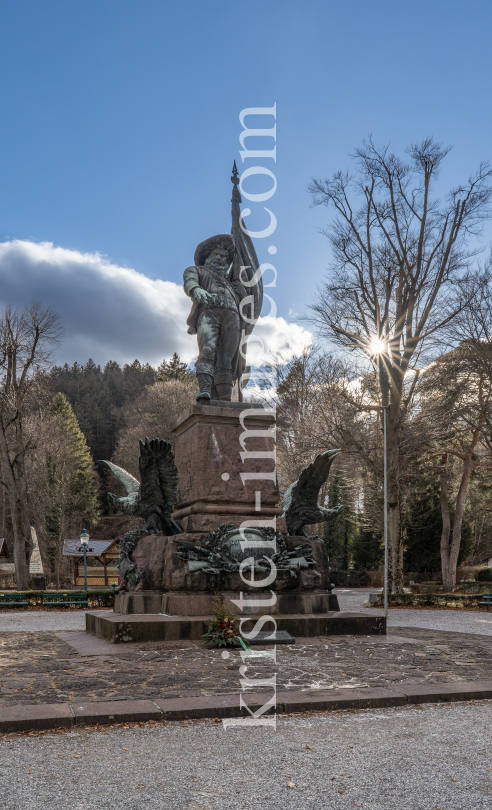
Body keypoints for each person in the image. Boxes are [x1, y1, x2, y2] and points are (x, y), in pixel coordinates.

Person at [183, 233, 248, 401]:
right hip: (208, 314)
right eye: (216, 254)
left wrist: (241, 290)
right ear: (207, 257)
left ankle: (225, 397)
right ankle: (204, 389)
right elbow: (189, 281)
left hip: (232, 318)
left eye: (224, 256)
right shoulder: (197, 271)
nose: (220, 258)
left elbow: (246, 303)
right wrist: (196, 289)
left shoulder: (231, 283)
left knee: (228, 359)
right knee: (207, 351)